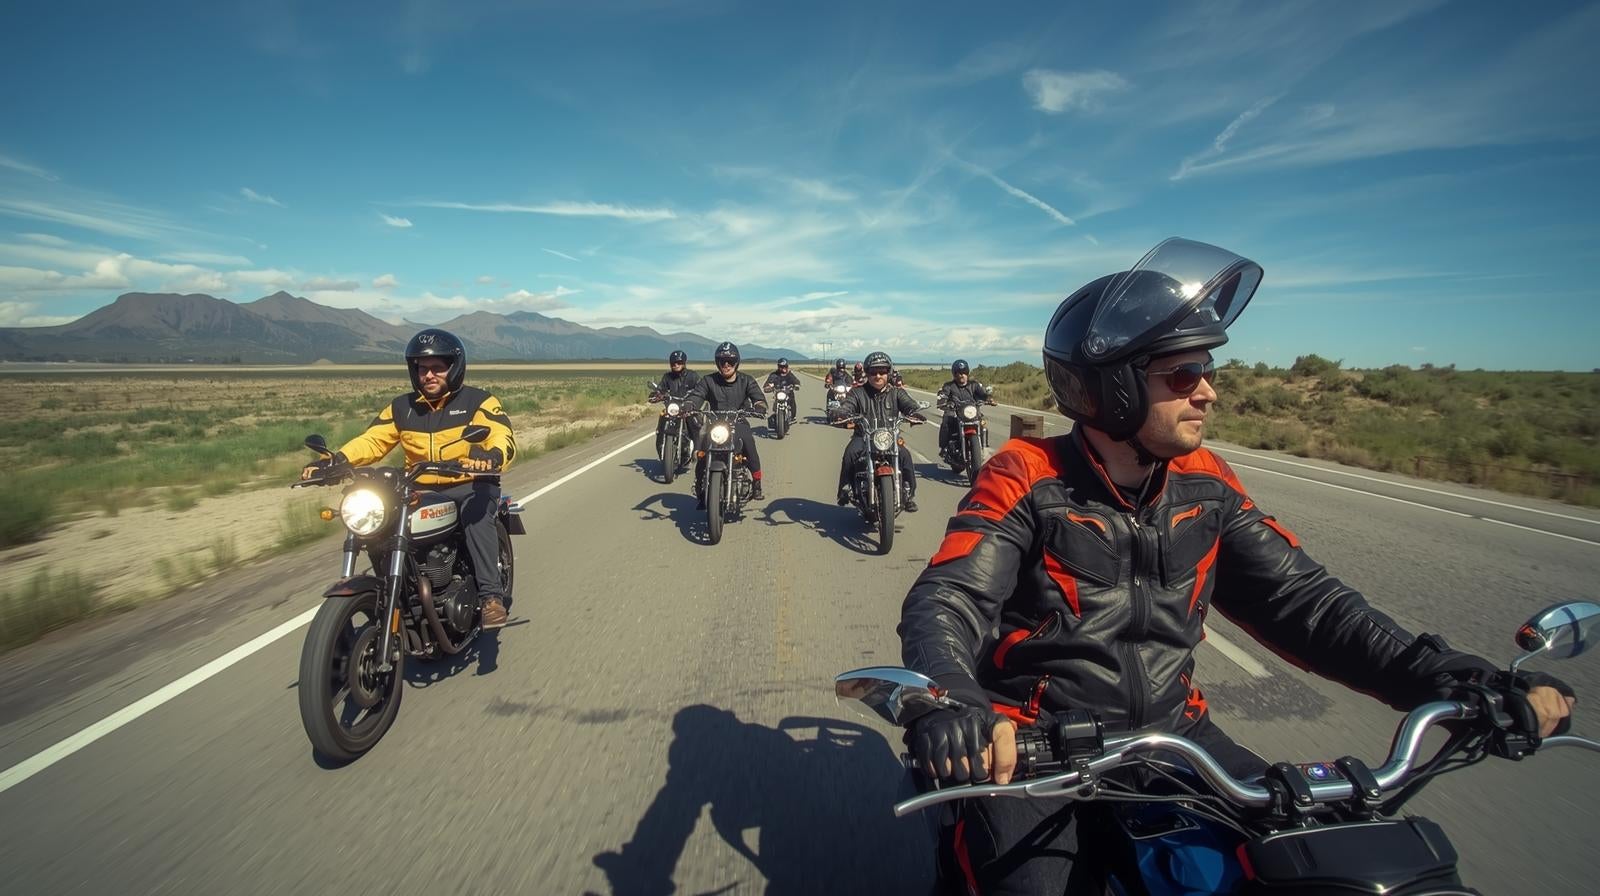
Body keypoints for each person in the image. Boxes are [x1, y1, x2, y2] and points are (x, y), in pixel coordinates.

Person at [896, 238, 1577, 894]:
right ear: (1113, 388)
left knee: (1308, 857)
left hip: (1173, 737)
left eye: (1208, 371)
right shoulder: (1028, 473)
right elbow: (950, 597)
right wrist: (952, 700)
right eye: (1182, 375)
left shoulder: (1207, 481)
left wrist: (1451, 675)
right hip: (1034, 744)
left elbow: (1306, 602)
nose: (1208, 393)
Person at [302, 329, 517, 628]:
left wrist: (492, 456)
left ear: (454, 367)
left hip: (469, 482)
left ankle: (491, 596)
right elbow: (373, 440)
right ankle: (398, 594)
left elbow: (502, 435)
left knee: (476, 516)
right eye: (422, 368)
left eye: (437, 368)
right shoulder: (402, 407)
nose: (429, 375)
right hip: (419, 486)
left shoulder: (479, 402)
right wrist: (337, 461)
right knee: (380, 522)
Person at [831, 351, 927, 512]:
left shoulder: (897, 393)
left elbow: (909, 404)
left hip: (889, 437)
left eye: (882, 371)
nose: (878, 376)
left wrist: (914, 413)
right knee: (850, 453)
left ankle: (908, 493)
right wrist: (841, 412)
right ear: (867, 373)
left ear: (888, 372)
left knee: (905, 455)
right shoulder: (857, 392)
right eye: (873, 372)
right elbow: (848, 405)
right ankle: (845, 488)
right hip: (864, 436)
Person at [685, 341, 769, 506]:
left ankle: (757, 483)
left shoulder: (746, 380)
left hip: (738, 422)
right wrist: (690, 404)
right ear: (717, 362)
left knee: (749, 442)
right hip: (716, 423)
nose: (726, 364)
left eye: (730, 361)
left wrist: (760, 406)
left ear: (736, 362)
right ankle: (700, 487)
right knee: (702, 450)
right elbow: (697, 395)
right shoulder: (708, 381)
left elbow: (758, 398)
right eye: (722, 361)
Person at [935, 359, 994, 462]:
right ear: (954, 374)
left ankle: (984, 447)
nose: (961, 375)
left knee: (983, 424)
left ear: (967, 373)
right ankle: (944, 448)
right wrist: (943, 401)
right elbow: (943, 394)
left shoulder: (974, 385)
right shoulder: (949, 386)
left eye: (964, 372)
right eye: (958, 372)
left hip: (971, 411)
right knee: (946, 420)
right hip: (955, 411)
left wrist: (989, 399)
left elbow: (982, 394)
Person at [652, 349, 702, 449]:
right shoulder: (667, 377)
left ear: (684, 363)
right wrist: (658, 395)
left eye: (679, 362)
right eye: (673, 363)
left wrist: (693, 399)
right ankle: (661, 444)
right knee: (662, 418)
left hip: (687, 408)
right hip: (672, 408)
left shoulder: (692, 376)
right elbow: (661, 388)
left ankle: (698, 450)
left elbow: (700, 389)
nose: (676, 365)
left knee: (695, 423)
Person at [762, 357, 802, 423]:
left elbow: (796, 381)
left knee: (792, 401)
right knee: (775, 402)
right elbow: (767, 384)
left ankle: (793, 416)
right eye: (781, 366)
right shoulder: (774, 375)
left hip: (788, 393)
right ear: (778, 366)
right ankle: (776, 414)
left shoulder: (789, 375)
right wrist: (768, 387)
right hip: (778, 394)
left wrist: (796, 385)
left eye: (785, 366)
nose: (784, 368)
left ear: (787, 366)